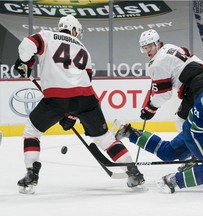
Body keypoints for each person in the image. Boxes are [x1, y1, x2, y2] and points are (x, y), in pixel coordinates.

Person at [14, 15, 144, 194]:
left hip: (56, 99)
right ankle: (134, 172)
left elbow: (26, 46)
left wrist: (24, 62)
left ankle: (31, 175)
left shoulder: (47, 36)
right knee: (104, 138)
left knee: (32, 131)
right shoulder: (84, 49)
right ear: (74, 30)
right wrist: (72, 114)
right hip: (87, 99)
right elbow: (84, 81)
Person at [139, 29, 203, 132]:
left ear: (157, 43)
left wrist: (151, 107)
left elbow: (164, 94)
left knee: (182, 124)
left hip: (193, 87)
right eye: (145, 48)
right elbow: (190, 56)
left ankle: (199, 146)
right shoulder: (170, 47)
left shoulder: (156, 64)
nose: (148, 51)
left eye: (150, 47)